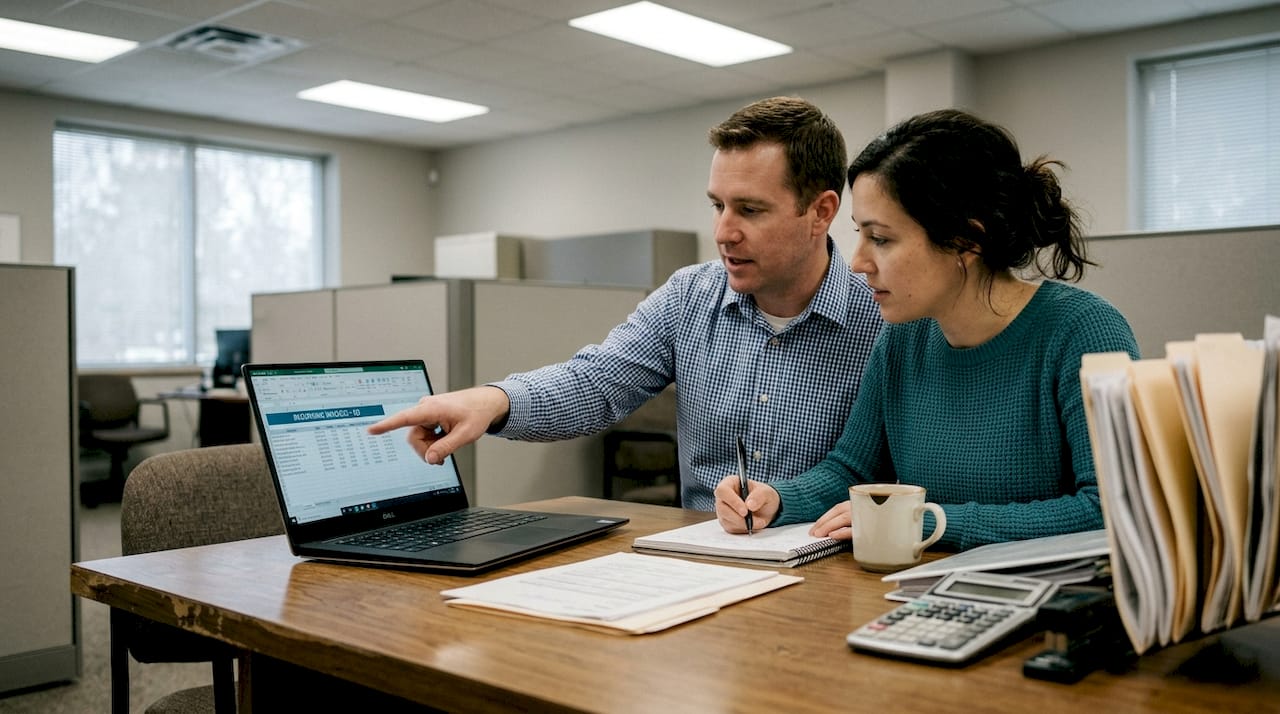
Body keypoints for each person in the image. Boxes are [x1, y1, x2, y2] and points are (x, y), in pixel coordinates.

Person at [369, 96, 885, 510]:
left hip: (831, 568)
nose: (723, 232)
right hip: (701, 562)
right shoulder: (689, 296)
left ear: (821, 212)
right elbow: (595, 384)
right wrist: (494, 401)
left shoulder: (885, 317)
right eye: (717, 205)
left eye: (749, 210)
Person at [715, 108, 1140, 550]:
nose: (858, 262)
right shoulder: (903, 339)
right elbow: (853, 471)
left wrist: (930, 522)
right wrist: (778, 499)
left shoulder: (1083, 332)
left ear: (966, 240)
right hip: (927, 590)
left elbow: (1111, 507)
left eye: (880, 239)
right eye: (860, 234)